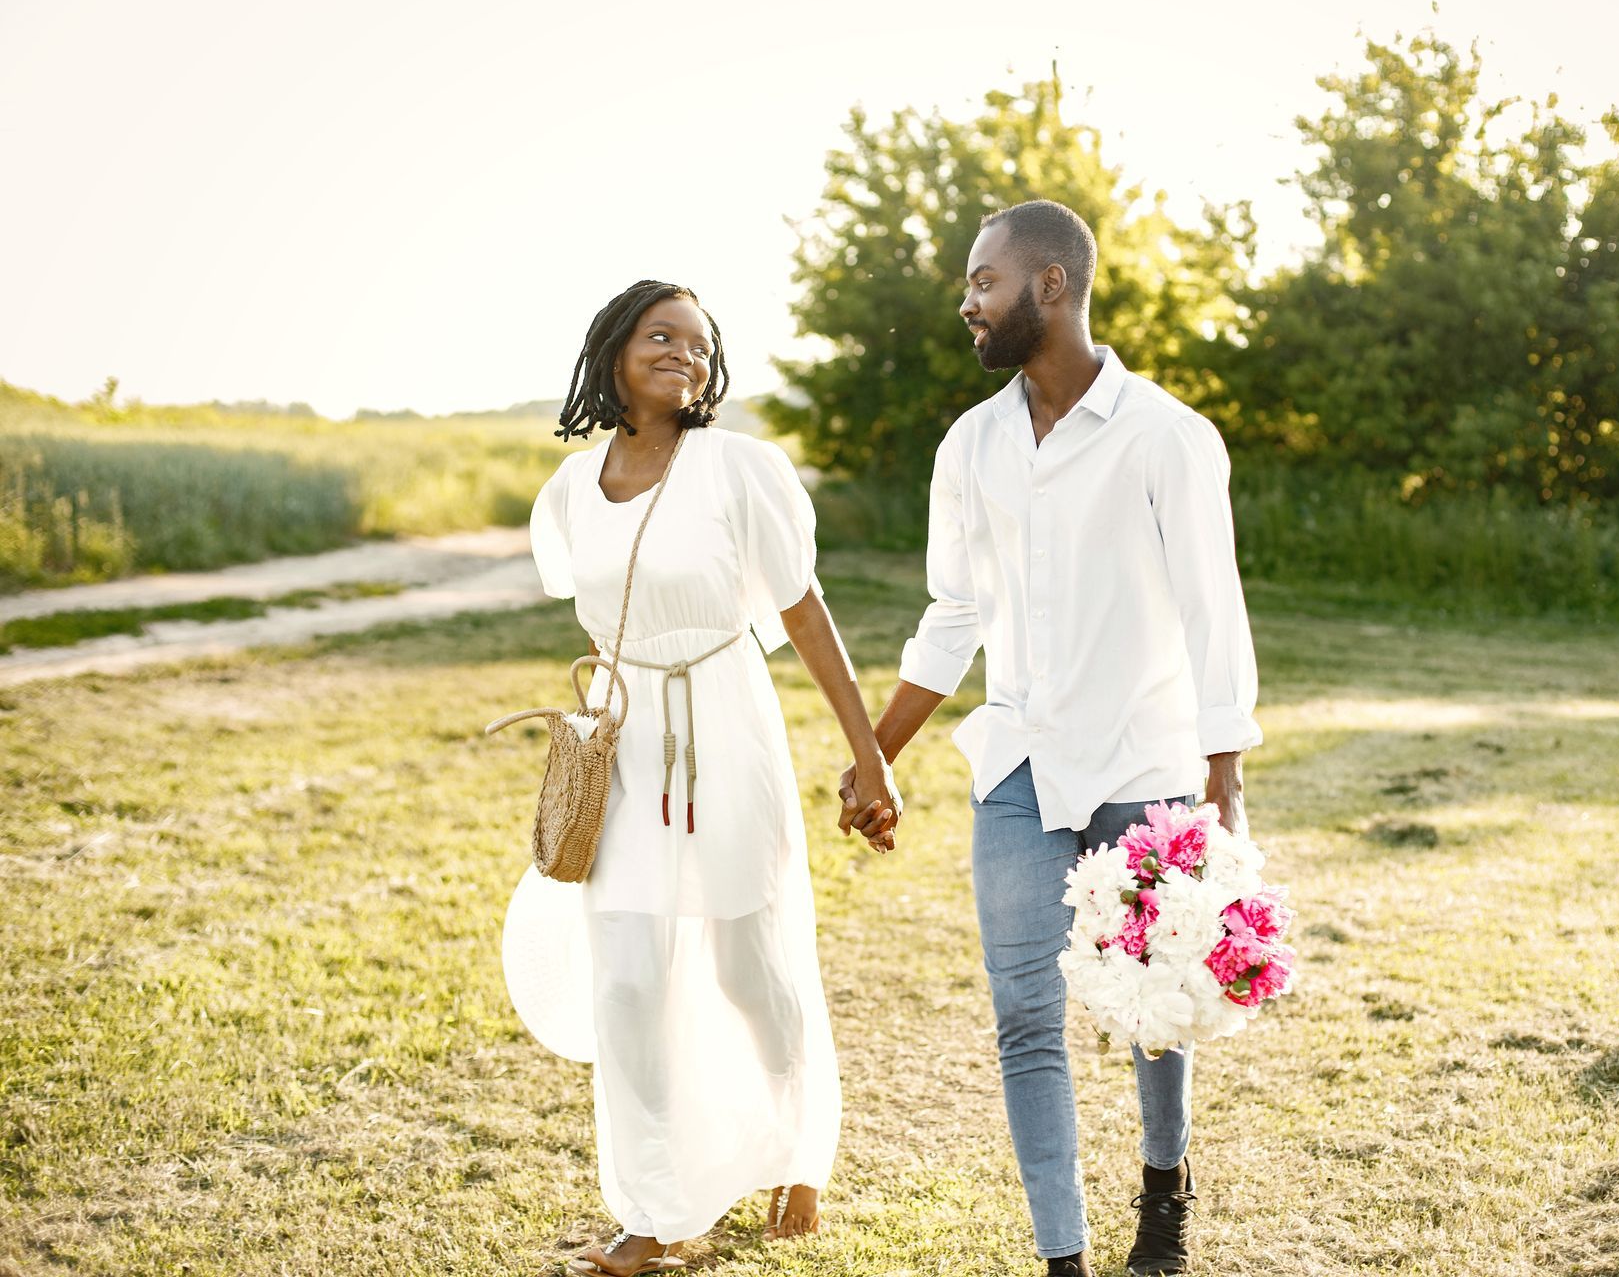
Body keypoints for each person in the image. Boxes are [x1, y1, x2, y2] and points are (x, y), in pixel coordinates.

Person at [841, 201, 1261, 1277]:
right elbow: (954, 613)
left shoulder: (1167, 434)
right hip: (1019, 773)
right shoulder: (971, 443)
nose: (967, 303)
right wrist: (878, 749)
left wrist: (1224, 777)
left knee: (1152, 1002)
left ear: (1051, 286)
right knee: (1025, 1017)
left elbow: (1215, 609)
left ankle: (1163, 1195)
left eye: (983, 281)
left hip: (1145, 765)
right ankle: (1062, 1259)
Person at [512, 279, 900, 1276]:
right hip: (631, 740)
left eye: (701, 341)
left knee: (745, 964)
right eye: (662, 335)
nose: (687, 352)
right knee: (631, 979)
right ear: (613, 356)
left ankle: (796, 1140)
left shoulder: (740, 468)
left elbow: (805, 616)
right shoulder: (568, 493)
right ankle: (651, 1207)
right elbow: (600, 623)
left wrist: (870, 755)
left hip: (728, 728)